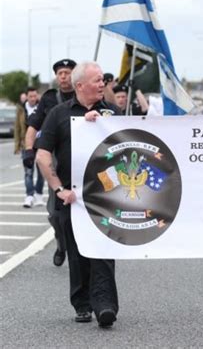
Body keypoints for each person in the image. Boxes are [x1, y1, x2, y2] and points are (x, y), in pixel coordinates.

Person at [36, 61, 121, 328]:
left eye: (102, 80)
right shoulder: (58, 114)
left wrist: (100, 125)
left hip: (105, 195)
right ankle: (82, 303)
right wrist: (58, 189)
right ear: (80, 85)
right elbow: (43, 154)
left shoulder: (112, 112)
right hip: (71, 198)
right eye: (97, 80)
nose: (102, 84)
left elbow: (128, 144)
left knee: (104, 249)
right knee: (78, 252)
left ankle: (105, 305)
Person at [24, 58, 77, 267]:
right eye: (60, 73)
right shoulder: (48, 99)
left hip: (82, 156)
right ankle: (61, 243)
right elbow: (32, 126)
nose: (63, 76)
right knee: (56, 214)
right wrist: (29, 150)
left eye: (67, 72)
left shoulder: (83, 96)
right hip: (55, 157)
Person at [14, 87, 44, 208]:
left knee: (42, 172)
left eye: (34, 96)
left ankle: (39, 195)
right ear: (26, 96)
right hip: (26, 144)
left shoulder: (42, 108)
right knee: (28, 172)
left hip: (41, 144)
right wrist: (17, 145)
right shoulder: (21, 110)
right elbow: (17, 127)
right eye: (30, 96)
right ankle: (29, 195)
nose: (33, 98)